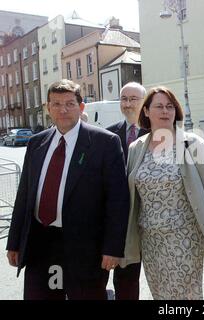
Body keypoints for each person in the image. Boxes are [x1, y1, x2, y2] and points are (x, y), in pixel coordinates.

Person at [6, 79, 130, 300]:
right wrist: (14, 242)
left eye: (70, 103)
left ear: (81, 107)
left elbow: (118, 201)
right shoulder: (36, 143)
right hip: (40, 244)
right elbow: (24, 196)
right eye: (56, 104)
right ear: (47, 108)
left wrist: (112, 248)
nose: (63, 109)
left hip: (86, 248)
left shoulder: (105, 143)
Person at [120, 86, 204, 300]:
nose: (165, 111)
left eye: (170, 107)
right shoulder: (136, 147)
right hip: (150, 241)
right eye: (159, 106)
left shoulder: (194, 144)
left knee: (184, 296)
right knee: (160, 294)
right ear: (146, 111)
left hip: (184, 239)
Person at [106, 82, 148, 300]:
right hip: (120, 219)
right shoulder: (108, 134)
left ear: (144, 102)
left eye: (134, 99)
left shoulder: (156, 134)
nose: (128, 103)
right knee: (125, 277)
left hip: (148, 218)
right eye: (124, 99)